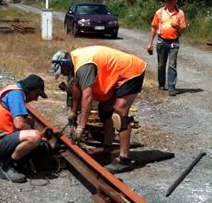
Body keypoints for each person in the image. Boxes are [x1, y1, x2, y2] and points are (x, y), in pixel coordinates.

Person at [52, 46, 146, 174]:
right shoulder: (74, 60)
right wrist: (73, 112)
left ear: (65, 64)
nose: (63, 74)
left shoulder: (83, 66)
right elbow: (76, 87)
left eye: (62, 71)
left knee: (120, 113)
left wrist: (81, 126)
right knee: (105, 112)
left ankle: (124, 159)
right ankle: (107, 148)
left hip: (131, 71)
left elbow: (88, 97)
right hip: (114, 75)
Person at [0, 74, 48, 183]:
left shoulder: (13, 90)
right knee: (34, 136)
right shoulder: (16, 95)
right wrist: (39, 136)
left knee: (30, 121)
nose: (36, 99)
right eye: (36, 94)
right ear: (30, 90)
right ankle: (7, 167)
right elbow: (20, 125)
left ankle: (17, 160)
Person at [146, 0, 187, 96]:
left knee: (172, 65)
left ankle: (172, 87)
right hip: (161, 41)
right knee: (161, 65)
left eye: (172, 0)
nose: (170, 2)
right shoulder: (159, 12)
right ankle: (161, 84)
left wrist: (177, 26)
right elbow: (154, 28)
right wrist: (150, 43)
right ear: (165, 0)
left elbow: (183, 30)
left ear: (175, 1)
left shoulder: (180, 13)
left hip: (174, 42)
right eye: (168, 0)